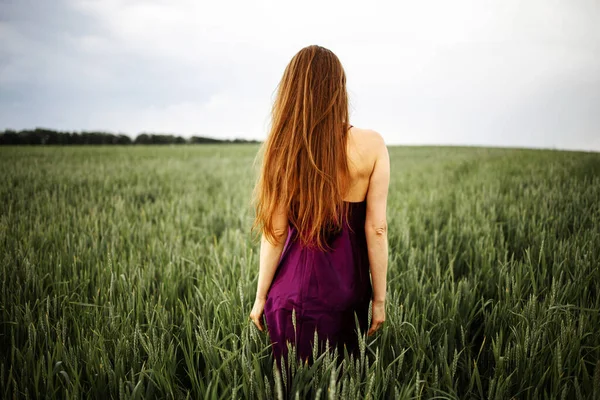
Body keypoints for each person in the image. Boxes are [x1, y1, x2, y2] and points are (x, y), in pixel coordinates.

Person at [249, 45, 389, 370]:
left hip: (290, 299)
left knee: (293, 386)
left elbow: (276, 232)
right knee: (343, 384)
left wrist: (260, 298)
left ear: (291, 91)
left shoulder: (284, 147)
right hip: (348, 294)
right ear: (339, 89)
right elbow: (376, 229)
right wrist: (378, 301)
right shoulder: (372, 145)